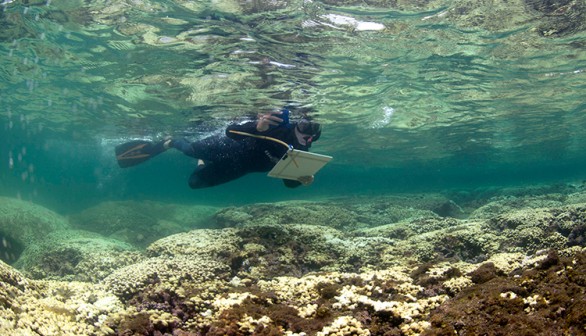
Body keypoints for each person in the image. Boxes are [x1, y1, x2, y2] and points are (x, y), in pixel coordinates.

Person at [163, 110, 322, 189]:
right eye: (304, 126)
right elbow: (230, 132)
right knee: (190, 150)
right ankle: (173, 141)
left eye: (314, 129)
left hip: (241, 167)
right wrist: (257, 127)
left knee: (195, 183)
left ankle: (202, 162)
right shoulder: (276, 127)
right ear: (296, 124)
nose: (308, 134)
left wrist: (301, 178)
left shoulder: (302, 151)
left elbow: (289, 184)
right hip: (230, 147)